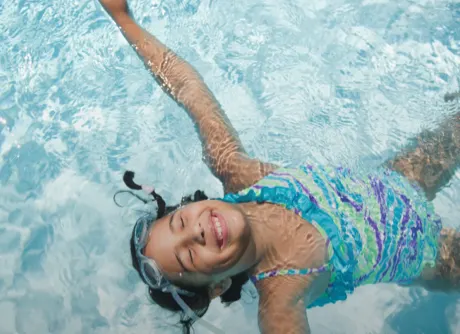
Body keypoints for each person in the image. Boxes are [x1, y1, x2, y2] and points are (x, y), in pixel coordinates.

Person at [99, 1, 460, 333]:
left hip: (400, 176)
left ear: (189, 205)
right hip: (435, 255)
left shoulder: (239, 172)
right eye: (191, 255)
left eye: (180, 221)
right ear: (218, 285)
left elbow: (187, 87)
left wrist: (121, 18)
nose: (196, 232)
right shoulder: (282, 294)